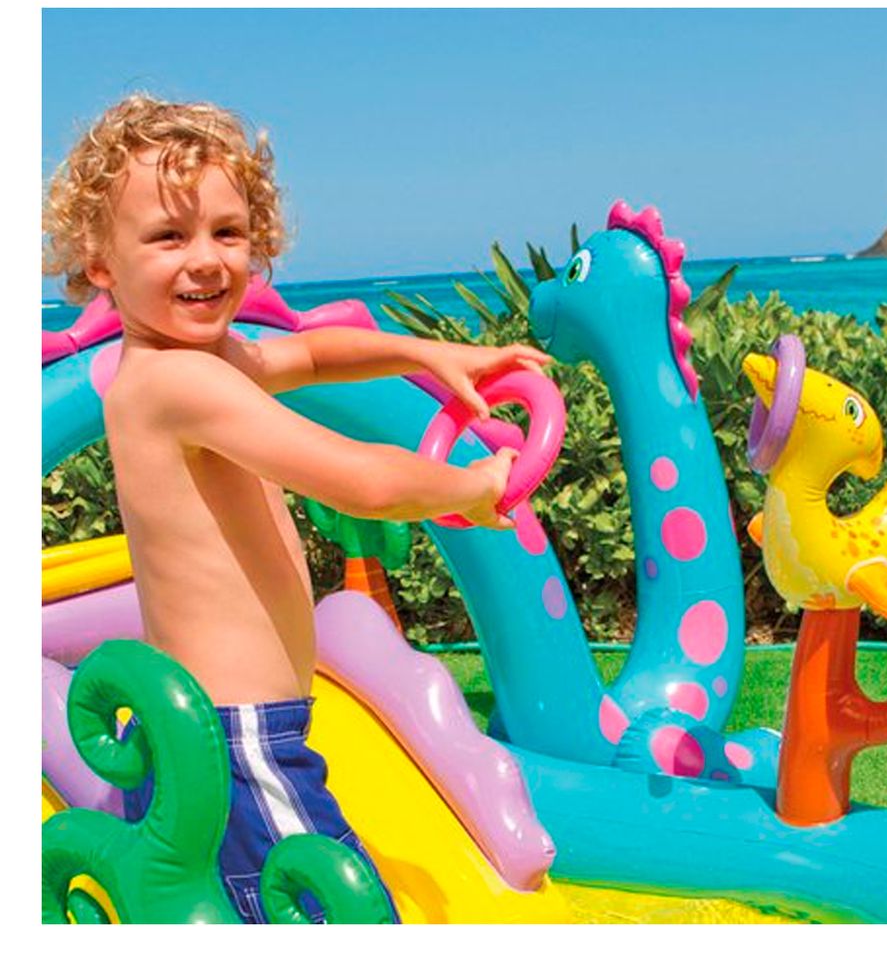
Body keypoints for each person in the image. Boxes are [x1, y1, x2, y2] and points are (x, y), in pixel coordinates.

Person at [42, 94, 551, 924]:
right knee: (346, 915)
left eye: (227, 232)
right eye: (168, 237)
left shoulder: (201, 363)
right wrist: (476, 486)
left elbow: (312, 353)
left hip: (224, 736)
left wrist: (428, 351)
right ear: (100, 264)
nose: (206, 260)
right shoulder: (180, 382)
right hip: (236, 743)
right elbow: (361, 482)